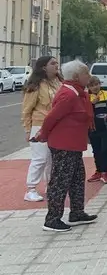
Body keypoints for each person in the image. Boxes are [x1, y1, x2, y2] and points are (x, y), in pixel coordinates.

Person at [37, 60, 97, 232]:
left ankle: (77, 212)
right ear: (77, 76)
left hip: (74, 144)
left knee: (77, 179)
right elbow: (51, 117)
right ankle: (52, 219)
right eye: (86, 73)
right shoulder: (68, 94)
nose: (89, 76)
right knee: (60, 181)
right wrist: (42, 134)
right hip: (64, 144)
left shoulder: (78, 93)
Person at [21, 55, 62, 202]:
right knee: (40, 157)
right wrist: (27, 129)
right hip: (39, 125)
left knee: (52, 158)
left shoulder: (58, 82)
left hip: (56, 125)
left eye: (57, 62)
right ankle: (31, 189)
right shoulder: (36, 85)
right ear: (44, 67)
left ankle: (51, 186)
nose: (56, 65)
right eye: (53, 63)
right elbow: (26, 110)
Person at [87, 76, 107, 184]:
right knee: (96, 150)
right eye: (92, 85)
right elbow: (85, 112)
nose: (95, 87)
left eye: (96, 84)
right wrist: (92, 104)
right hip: (93, 128)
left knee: (106, 149)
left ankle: (105, 171)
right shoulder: (87, 97)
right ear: (88, 87)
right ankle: (98, 171)